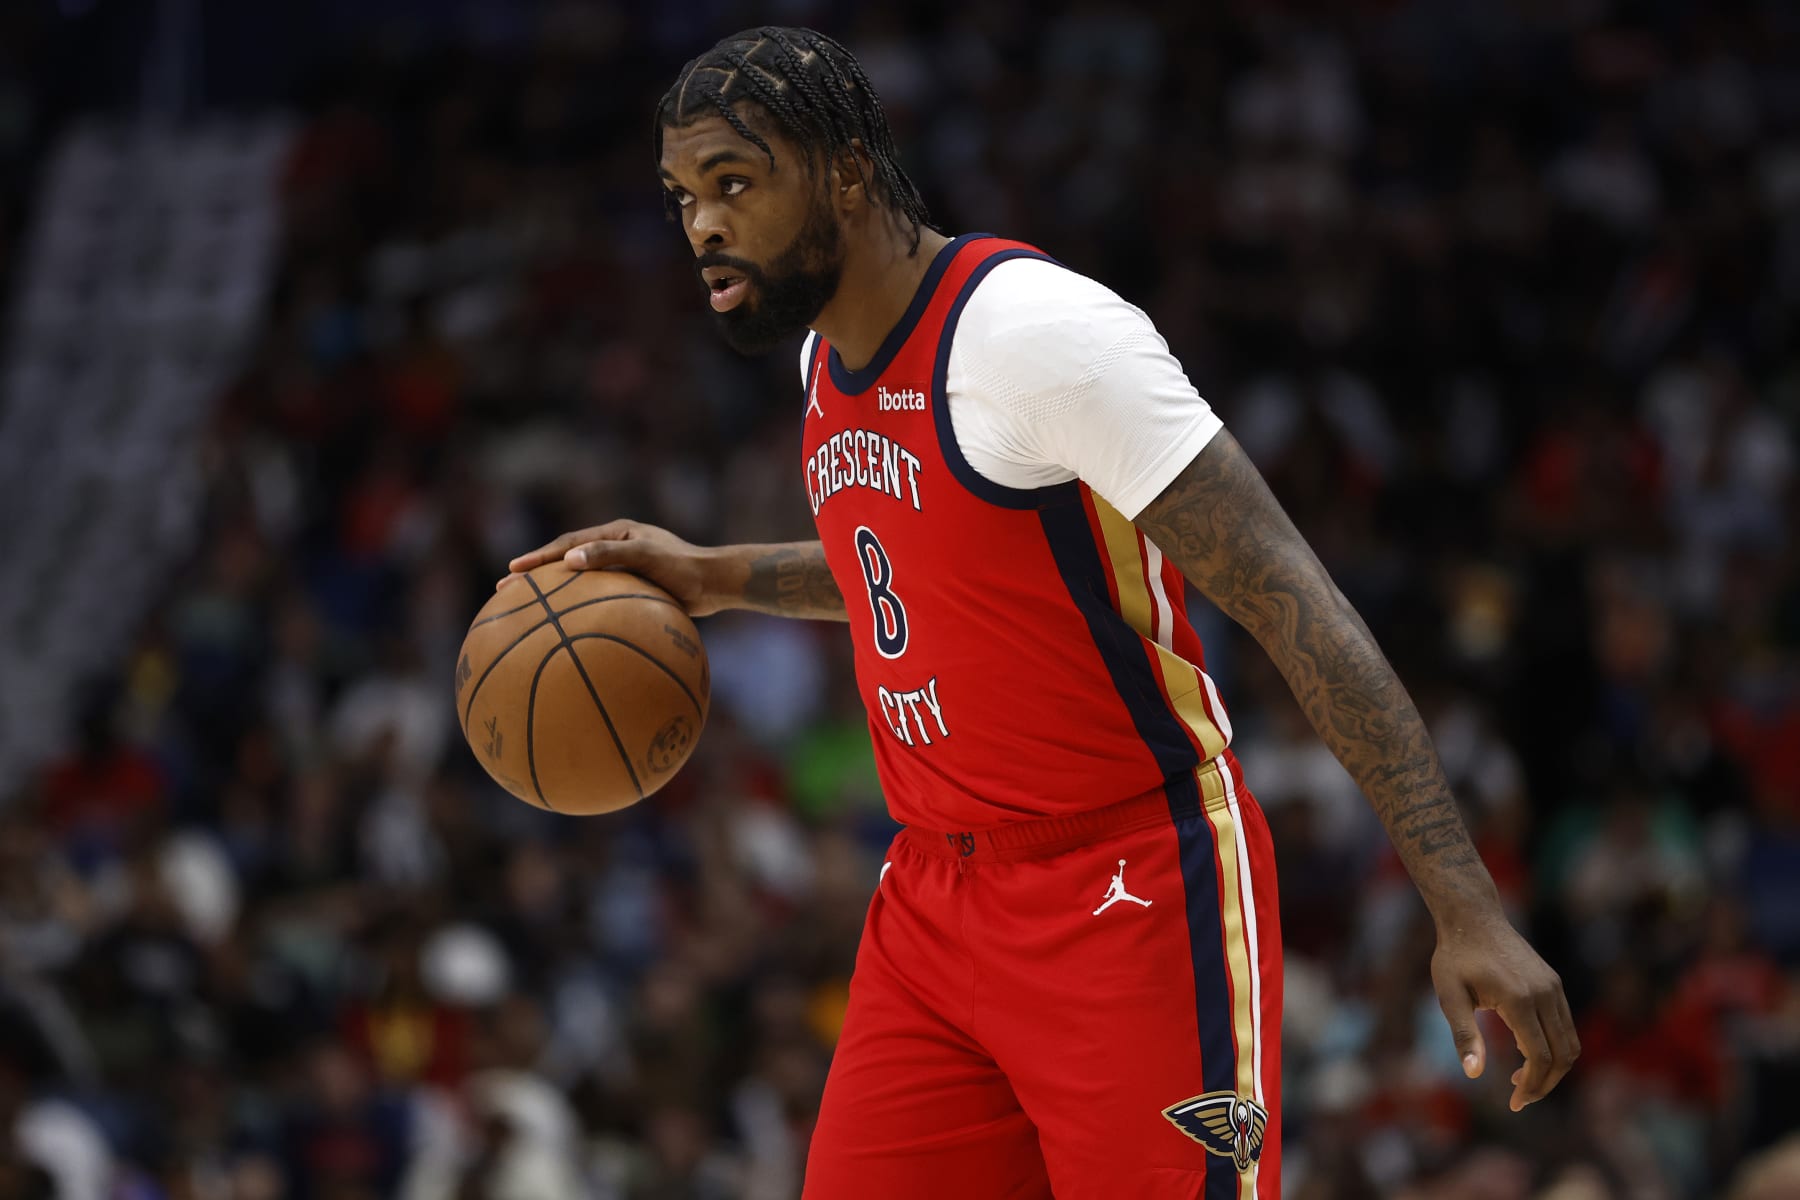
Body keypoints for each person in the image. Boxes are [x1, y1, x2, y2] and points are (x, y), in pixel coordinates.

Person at [501, 26, 1578, 1199]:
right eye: (681, 198)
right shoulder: (824, 357)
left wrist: (1465, 906)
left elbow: (1291, 598)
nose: (702, 226)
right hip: (932, 901)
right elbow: (923, 562)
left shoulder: (1037, 337)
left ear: (848, 170)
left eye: (734, 184)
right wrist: (718, 577)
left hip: (1128, 892)